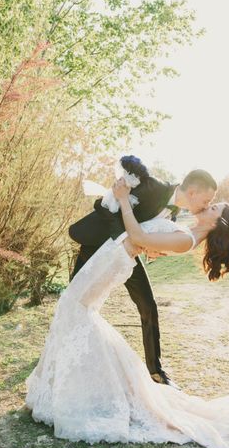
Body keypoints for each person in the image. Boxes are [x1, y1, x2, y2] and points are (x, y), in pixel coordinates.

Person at [24, 160, 229, 448]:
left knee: (78, 311)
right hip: (109, 254)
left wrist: (129, 210)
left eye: (213, 207)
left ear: (216, 223)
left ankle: (83, 388)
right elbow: (145, 237)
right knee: (77, 312)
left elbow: (140, 236)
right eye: (209, 202)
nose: (208, 206)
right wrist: (129, 214)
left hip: (116, 256)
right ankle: (75, 384)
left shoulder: (186, 237)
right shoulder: (182, 226)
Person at [68, 156, 217, 388]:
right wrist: (125, 239)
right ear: (194, 192)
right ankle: (66, 354)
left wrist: (150, 249)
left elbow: (148, 231)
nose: (207, 205)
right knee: (74, 301)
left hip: (128, 258)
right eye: (207, 200)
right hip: (97, 246)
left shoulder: (174, 213)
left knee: (148, 305)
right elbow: (104, 206)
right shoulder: (152, 187)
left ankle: (156, 371)